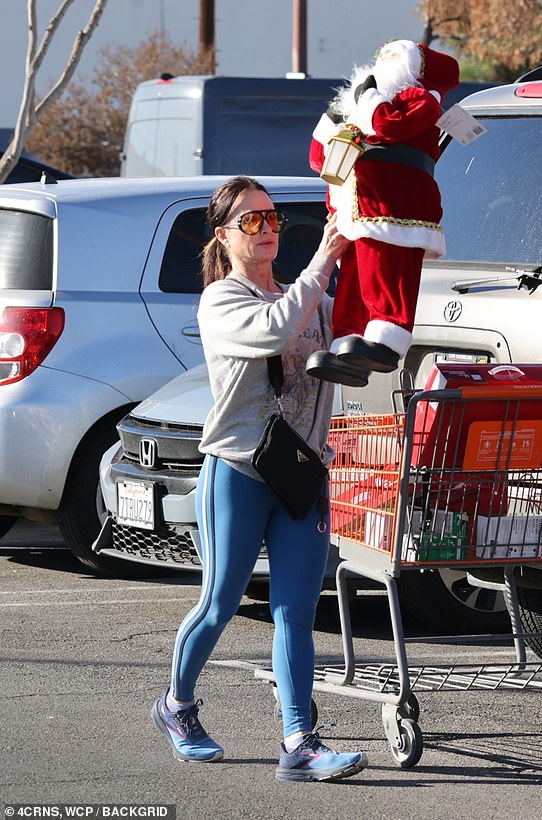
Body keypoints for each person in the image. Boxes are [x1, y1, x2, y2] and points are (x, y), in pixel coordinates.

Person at [151, 175, 369, 783]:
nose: (268, 228)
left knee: (296, 610)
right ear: (223, 236)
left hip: (302, 472)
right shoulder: (222, 299)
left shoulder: (313, 299)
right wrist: (325, 258)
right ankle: (176, 707)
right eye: (251, 221)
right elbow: (275, 328)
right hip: (240, 469)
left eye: (274, 219)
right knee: (220, 602)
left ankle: (300, 743)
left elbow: (349, 341)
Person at [306, 40, 460, 385]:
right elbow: (318, 157)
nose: (383, 63)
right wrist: (336, 119)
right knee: (354, 280)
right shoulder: (359, 106)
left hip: (395, 207)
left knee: (386, 272)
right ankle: (347, 345)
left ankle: (388, 339)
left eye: (395, 57)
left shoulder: (421, 99)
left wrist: (367, 97)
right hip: (356, 207)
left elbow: (390, 126)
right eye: (383, 55)